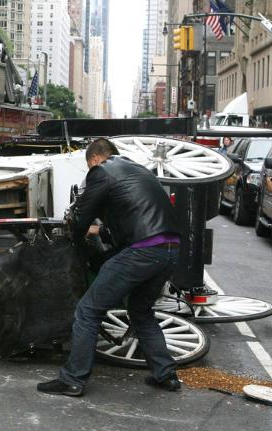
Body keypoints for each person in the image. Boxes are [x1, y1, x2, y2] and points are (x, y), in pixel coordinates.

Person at [37, 138, 182, 397]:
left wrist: (76, 235)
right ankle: (166, 374)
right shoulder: (138, 170)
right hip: (170, 248)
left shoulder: (101, 171)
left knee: (88, 310)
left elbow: (81, 216)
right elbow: (134, 213)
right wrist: (100, 229)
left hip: (143, 250)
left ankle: (73, 378)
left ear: (94, 159)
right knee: (141, 311)